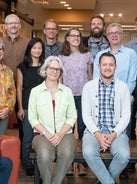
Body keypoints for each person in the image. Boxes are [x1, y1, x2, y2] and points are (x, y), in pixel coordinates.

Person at [82, 53, 131, 184]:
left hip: (116, 131)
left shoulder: (123, 87)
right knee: (88, 152)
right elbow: (86, 115)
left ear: (115, 67)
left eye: (111, 64)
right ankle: (109, 182)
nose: (107, 67)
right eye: (104, 64)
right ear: (98, 66)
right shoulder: (88, 87)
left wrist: (114, 134)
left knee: (123, 155)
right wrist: (98, 135)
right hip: (94, 131)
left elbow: (126, 115)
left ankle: (102, 181)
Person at [28, 56, 77, 184]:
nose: (54, 71)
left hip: (65, 133)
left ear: (61, 72)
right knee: (44, 156)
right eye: (51, 68)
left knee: (66, 153)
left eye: (58, 69)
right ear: (45, 70)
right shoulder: (35, 92)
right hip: (42, 134)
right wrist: (47, 134)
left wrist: (60, 134)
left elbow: (72, 116)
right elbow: (32, 118)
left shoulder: (67, 92)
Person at [58, 27, 93, 176]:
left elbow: (90, 76)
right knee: (69, 130)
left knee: (83, 129)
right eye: (72, 36)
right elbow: (60, 79)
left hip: (84, 95)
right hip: (68, 96)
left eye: (78, 36)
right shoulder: (61, 57)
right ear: (67, 38)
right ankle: (70, 163)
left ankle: (83, 163)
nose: (76, 38)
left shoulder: (87, 55)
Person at [16, 37, 45, 177]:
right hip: (27, 106)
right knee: (27, 138)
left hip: (43, 107)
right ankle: (27, 164)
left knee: (41, 137)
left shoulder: (46, 66)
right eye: (34, 48)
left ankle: (40, 163)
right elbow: (19, 88)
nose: (37, 50)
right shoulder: (22, 67)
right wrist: (20, 108)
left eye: (40, 48)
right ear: (29, 49)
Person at [93, 22, 137, 94]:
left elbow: (132, 81)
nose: (114, 35)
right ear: (107, 36)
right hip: (104, 96)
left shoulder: (131, 54)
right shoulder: (99, 55)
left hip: (124, 97)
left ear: (122, 35)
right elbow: (96, 78)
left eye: (117, 32)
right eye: (111, 33)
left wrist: (122, 96)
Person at [2, 14, 29, 81]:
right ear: (5, 26)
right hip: (3, 83)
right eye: (10, 23)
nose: (13, 25)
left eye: (16, 23)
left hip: (23, 83)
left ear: (19, 26)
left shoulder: (28, 43)